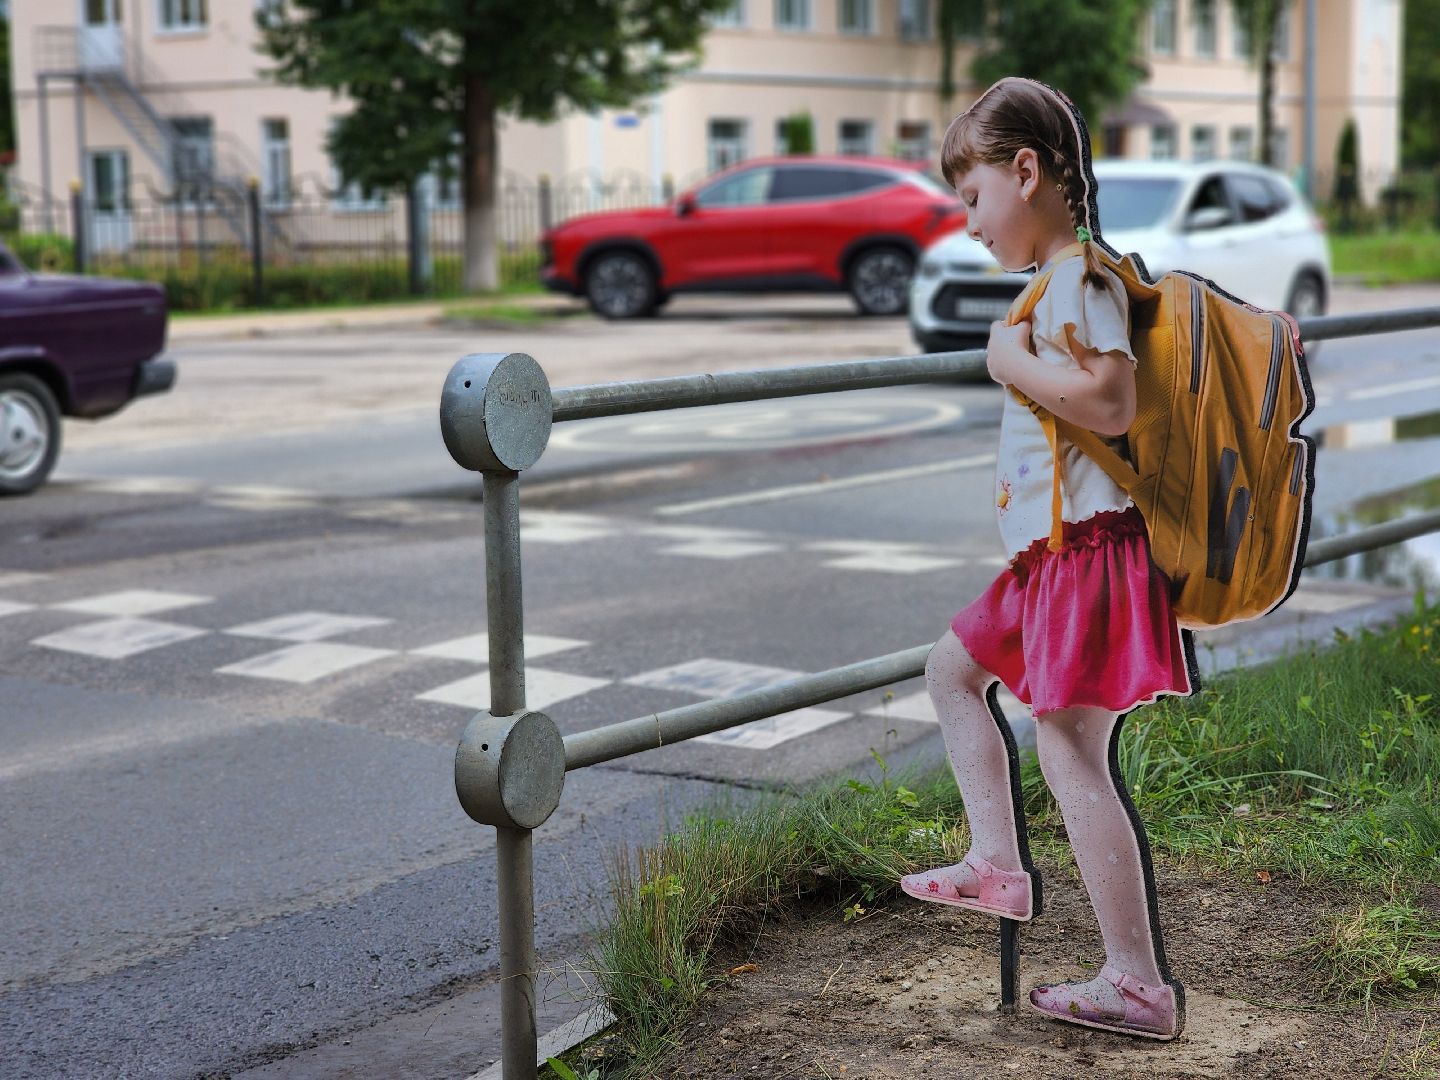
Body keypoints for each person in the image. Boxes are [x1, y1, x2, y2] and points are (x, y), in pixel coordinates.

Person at [899, 77, 1196, 1041]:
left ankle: (1136, 983)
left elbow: (1108, 401)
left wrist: (1008, 363)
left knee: (1069, 747)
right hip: (1050, 561)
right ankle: (996, 863)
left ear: (1027, 172)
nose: (972, 223)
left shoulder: (1080, 280)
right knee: (953, 671)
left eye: (975, 197)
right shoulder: (1057, 283)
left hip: (1084, 556)